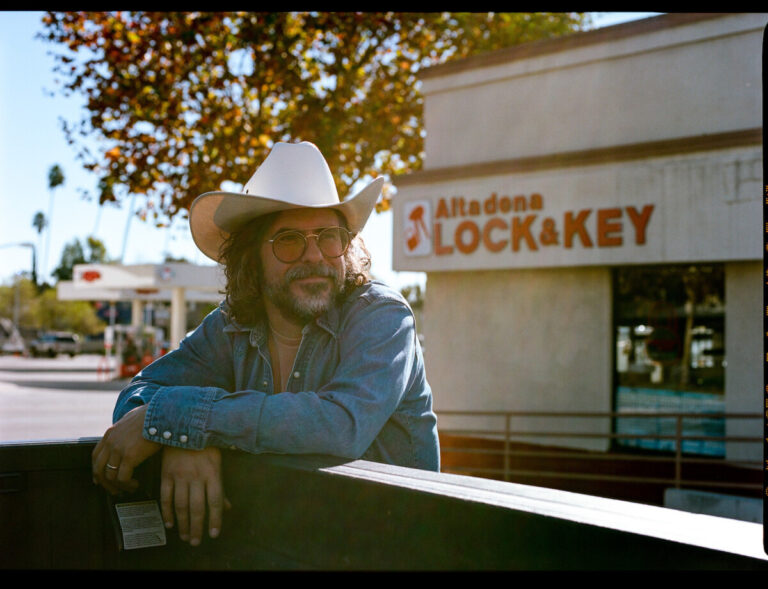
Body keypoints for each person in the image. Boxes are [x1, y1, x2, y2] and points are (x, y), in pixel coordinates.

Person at [92, 141, 440, 546]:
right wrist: (183, 443)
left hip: (392, 548)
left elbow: (340, 425)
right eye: (289, 240)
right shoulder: (231, 324)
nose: (315, 256)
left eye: (329, 237)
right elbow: (137, 397)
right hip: (289, 546)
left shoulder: (382, 316)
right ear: (251, 257)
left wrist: (182, 422)